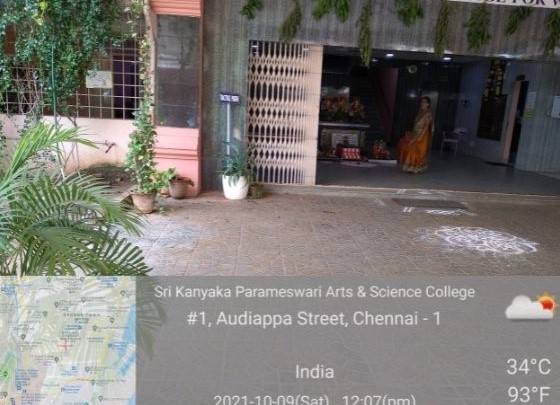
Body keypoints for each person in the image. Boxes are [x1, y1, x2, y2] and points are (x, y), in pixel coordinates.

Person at [400, 96, 433, 174]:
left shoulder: (428, 113)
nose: (422, 103)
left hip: (423, 134)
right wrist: (412, 134)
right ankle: (412, 167)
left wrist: (421, 136)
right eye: (421, 102)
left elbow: (426, 126)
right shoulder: (420, 112)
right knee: (413, 149)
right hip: (415, 133)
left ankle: (418, 167)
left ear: (428, 104)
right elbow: (415, 124)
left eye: (425, 102)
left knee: (420, 151)